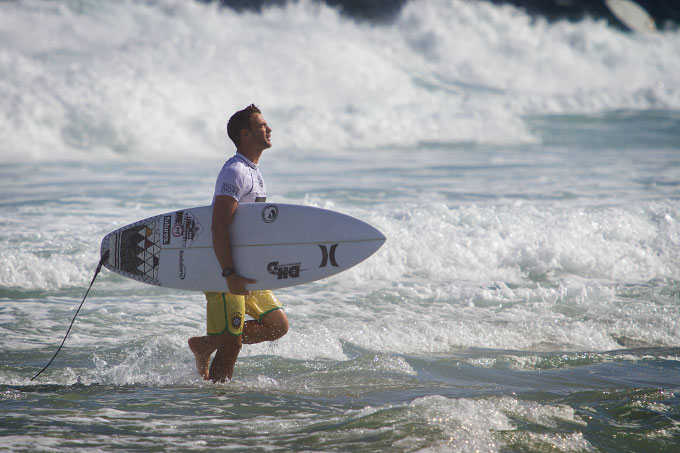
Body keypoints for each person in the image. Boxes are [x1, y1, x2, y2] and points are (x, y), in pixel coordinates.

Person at [188, 104, 289, 382]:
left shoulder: (253, 171)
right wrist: (229, 274)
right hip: (224, 270)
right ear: (245, 134)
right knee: (231, 345)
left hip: (244, 268)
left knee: (276, 325)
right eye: (261, 125)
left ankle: (207, 344)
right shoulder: (235, 171)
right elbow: (219, 225)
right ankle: (218, 407)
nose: (268, 129)